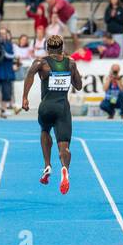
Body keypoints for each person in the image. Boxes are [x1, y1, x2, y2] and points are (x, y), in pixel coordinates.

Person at [21, 34, 81, 195]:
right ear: (62, 48)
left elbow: (29, 75)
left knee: (45, 131)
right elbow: (79, 85)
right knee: (64, 146)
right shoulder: (71, 63)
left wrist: (25, 97)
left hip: (46, 107)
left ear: (47, 49)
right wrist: (70, 73)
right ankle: (65, 169)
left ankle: (47, 164)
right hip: (62, 108)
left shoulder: (41, 63)